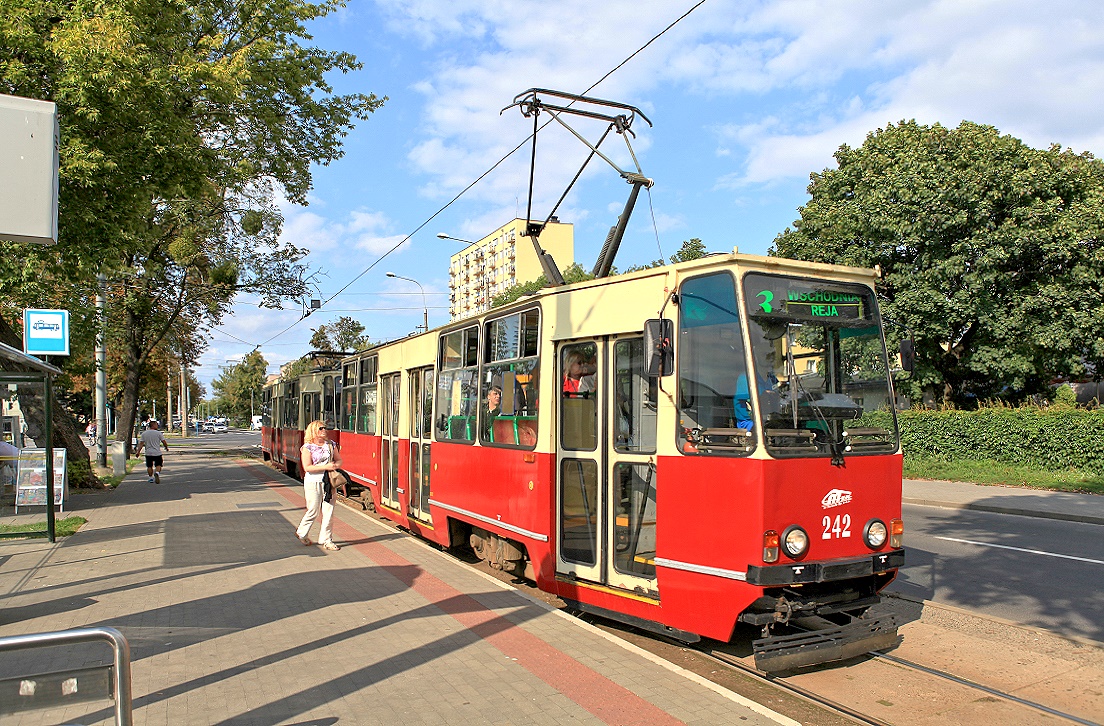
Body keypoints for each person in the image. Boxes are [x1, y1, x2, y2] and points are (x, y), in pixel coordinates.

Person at [296, 420, 341, 551]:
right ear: (314, 431)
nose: (324, 430)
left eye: (325, 428)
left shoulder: (331, 445)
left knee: (329, 511)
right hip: (313, 482)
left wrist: (335, 466)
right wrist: (325, 466)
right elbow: (307, 467)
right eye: (321, 428)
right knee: (313, 510)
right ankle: (302, 532)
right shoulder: (307, 447)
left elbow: (339, 460)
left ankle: (327, 540)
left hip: (329, 482)